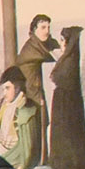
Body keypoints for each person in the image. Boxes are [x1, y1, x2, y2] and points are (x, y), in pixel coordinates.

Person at [48, 25, 85, 169]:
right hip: (65, 110)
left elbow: (60, 80)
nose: (60, 43)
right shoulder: (69, 58)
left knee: (70, 152)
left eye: (62, 39)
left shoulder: (68, 62)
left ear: (67, 41)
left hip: (66, 113)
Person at [0, 65, 41, 169]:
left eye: (7, 88)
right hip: (2, 150)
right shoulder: (6, 107)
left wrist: (20, 168)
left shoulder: (27, 109)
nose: (4, 93)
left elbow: (28, 148)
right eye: (3, 89)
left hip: (15, 156)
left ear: (17, 87)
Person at [15, 13, 61, 155]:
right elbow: (58, 58)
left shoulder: (42, 44)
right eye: (42, 27)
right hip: (31, 96)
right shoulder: (32, 49)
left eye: (48, 27)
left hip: (39, 93)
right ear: (34, 30)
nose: (46, 31)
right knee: (37, 134)